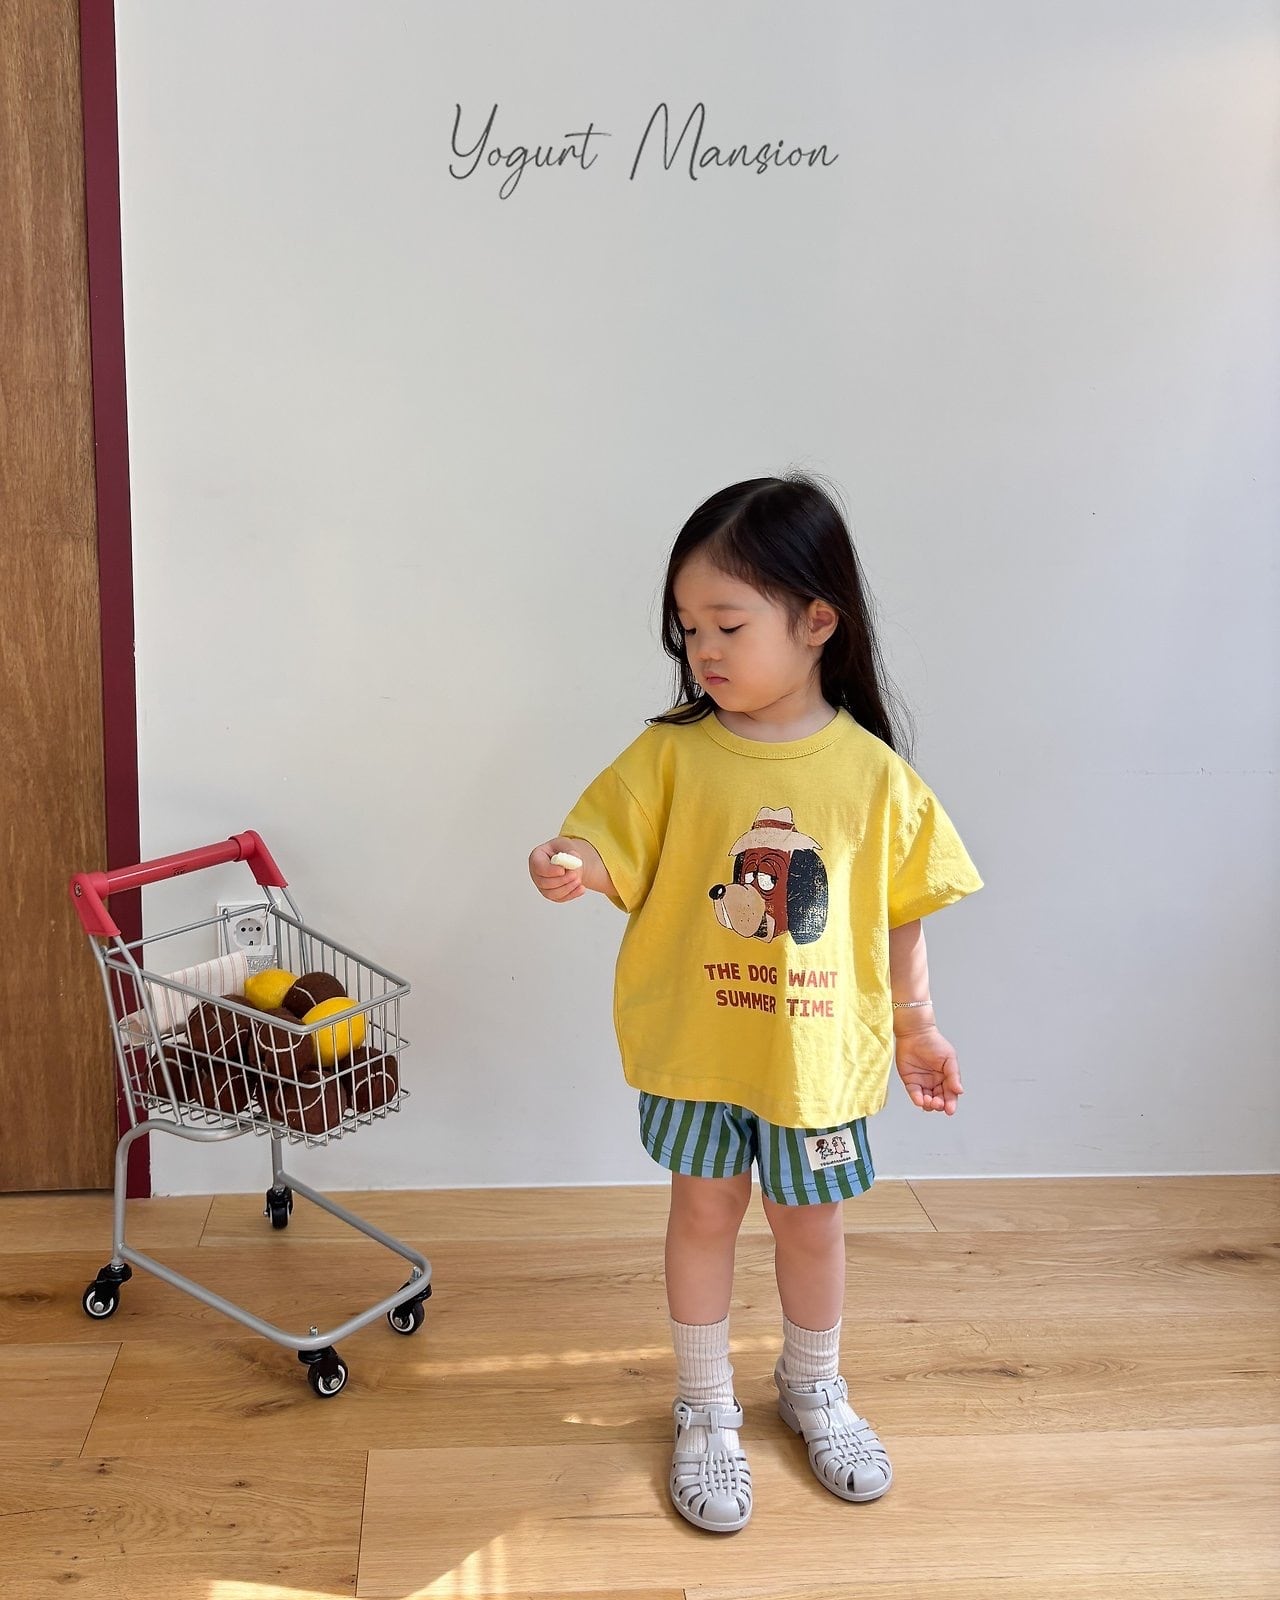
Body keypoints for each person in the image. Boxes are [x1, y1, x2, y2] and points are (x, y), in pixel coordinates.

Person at [528, 473, 983, 1534]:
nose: (704, 650)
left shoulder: (872, 775)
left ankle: (813, 1386)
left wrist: (916, 1024)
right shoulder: (672, 753)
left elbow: (902, 911)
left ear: (817, 621)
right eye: (688, 629)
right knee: (701, 1212)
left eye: (727, 625)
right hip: (700, 1050)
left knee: (811, 1224)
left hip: (816, 1063)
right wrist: (570, 864)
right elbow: (605, 840)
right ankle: (703, 1403)